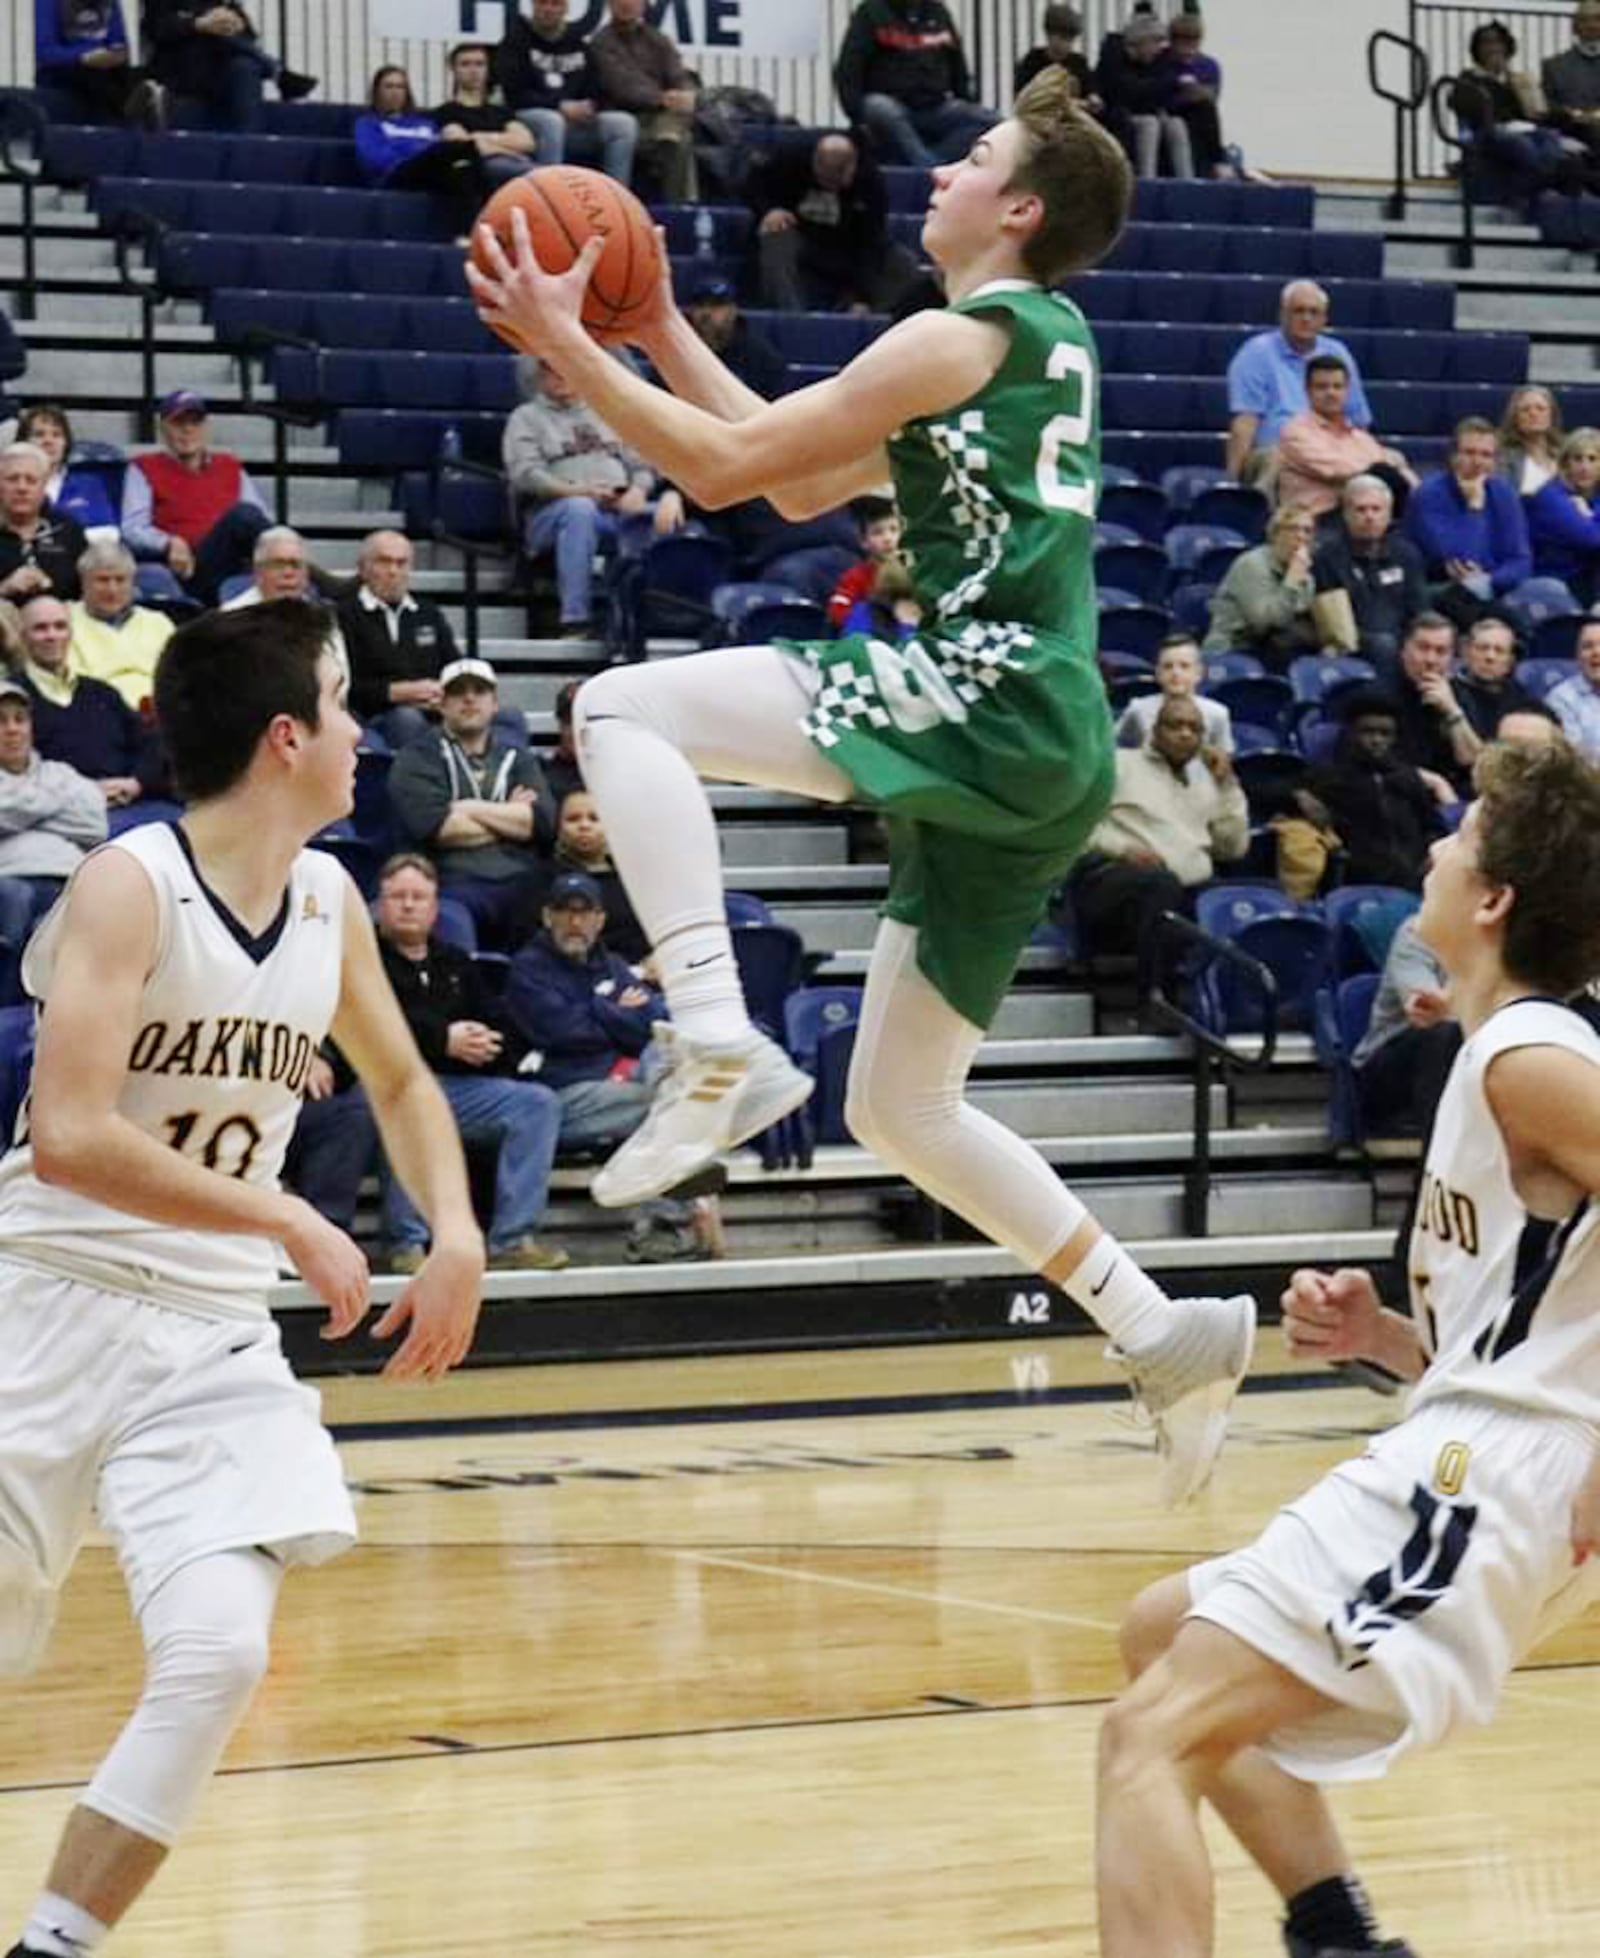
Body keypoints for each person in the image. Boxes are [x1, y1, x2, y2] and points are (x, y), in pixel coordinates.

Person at [469, 69, 1260, 1509]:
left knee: (618, 704)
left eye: (973, 157)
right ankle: (1164, 1331)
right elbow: (787, 485)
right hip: (1043, 740)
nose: (944, 170)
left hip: (1002, 691)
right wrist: (647, 329)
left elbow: (715, 475)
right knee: (901, 1106)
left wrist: (569, 344)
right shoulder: (1021, 339)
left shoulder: (961, 332)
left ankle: (712, 1038)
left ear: (1018, 208)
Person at [0, 598, 481, 1958]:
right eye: (342, 704)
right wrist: (283, 1209)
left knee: (217, 1653)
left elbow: (397, 1077)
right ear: (287, 737)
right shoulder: (129, 880)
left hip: (208, 1331)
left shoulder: (328, 896)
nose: (361, 729)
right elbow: (70, 1135)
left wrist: (452, 1228)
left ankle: (52, 1945)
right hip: (49, 1296)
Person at [1094, 735, 1600, 1958]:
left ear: (1489, 901)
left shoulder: (1530, 1054)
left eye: (1460, 834)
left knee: (1146, 1739)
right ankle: (1338, 1932)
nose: (1431, 842)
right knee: (1158, 1634)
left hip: (1495, 1475)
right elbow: (1533, 1320)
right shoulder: (1497, 1051)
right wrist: (1383, 1335)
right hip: (1475, 1444)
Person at [370, 853, 568, 1273]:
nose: (408, 905)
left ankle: (512, 1240)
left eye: (418, 897)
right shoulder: (365, 961)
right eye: (398, 896)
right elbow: (373, 1026)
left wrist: (484, 1043)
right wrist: (443, 1040)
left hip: (460, 1089)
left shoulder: (455, 961)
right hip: (389, 1087)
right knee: (411, 1099)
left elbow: (498, 1021)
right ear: (380, 905)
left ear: (434, 908)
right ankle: (406, 1242)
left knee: (537, 1103)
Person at [500, 870, 709, 1265]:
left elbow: (653, 1018)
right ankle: (676, 1217)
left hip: (622, 1078)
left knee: (667, 1051)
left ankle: (672, 1217)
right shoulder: (528, 969)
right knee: (666, 1103)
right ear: (548, 916)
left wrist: (602, 1013)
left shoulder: (610, 964)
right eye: (565, 912)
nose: (574, 923)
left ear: (600, 919)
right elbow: (564, 1034)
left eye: (585, 913)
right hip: (560, 1097)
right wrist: (609, 1008)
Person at [1065, 693, 1249, 998]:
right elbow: (1076, 827)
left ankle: (1223, 1003)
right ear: (1155, 729)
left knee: (1229, 899)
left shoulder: (1207, 779)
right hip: (1110, 882)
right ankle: (1155, 997)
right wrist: (1122, 849)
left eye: (1194, 728)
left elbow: (1232, 849)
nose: (1185, 733)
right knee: (1160, 884)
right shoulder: (1118, 764)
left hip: (1184, 890)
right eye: (1174, 725)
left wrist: (1228, 786)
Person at [503, 354, 684, 638]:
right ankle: (576, 618)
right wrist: (578, 491)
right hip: (551, 514)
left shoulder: (608, 413)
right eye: (552, 370)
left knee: (669, 516)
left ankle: (665, 619)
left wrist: (638, 490)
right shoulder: (526, 418)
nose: (561, 376)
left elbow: (643, 466)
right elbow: (525, 475)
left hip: (615, 508)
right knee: (579, 510)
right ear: (540, 376)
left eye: (567, 368)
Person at [387, 655, 555, 948]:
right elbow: (437, 827)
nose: (469, 699)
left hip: (521, 879)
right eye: (457, 692)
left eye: (479, 692)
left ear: (495, 703)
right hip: (454, 881)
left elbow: (541, 823)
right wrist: (509, 817)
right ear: (441, 703)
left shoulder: (518, 757)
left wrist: (468, 807)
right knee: (451, 920)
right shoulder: (417, 756)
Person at [12, 593, 170, 823]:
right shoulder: (11, 699)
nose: (52, 636)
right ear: (23, 637)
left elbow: (149, 743)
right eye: (40, 628)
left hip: (132, 802)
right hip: (61, 816)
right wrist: (86, 792)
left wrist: (136, 782)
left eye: (60, 627)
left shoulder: (102, 692)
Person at [0, 672, 106, 995]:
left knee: (67, 925)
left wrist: (20, 814)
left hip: (67, 879)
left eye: (20, 719)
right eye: (1, 721)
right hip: (9, 883)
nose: (12, 729)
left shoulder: (60, 773)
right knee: (15, 905)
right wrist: (54, 805)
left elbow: (94, 825)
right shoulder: (62, 787)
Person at [120, 391, 270, 608]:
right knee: (243, 516)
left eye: (195, 423)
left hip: (233, 562)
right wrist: (167, 542)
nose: (187, 430)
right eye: (178, 423)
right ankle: (303, 571)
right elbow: (132, 528)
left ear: (205, 428)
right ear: (162, 428)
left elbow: (259, 521)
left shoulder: (229, 466)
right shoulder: (144, 467)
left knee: (252, 523)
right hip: (186, 568)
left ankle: (293, 568)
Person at [746, 130, 920, 316]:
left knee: (905, 262)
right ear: (815, 161)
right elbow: (752, 183)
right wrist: (769, 210)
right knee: (775, 237)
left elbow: (871, 240)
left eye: (837, 179)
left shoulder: (870, 181)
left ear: (853, 166)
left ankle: (869, 320)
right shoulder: (790, 159)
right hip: (802, 239)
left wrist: (861, 296)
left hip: (848, 248)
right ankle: (793, 316)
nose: (829, 185)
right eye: (824, 177)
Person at [1226, 283, 1373, 485]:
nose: (1306, 318)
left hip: (1332, 449)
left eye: (1314, 312)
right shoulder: (1255, 353)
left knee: (1392, 460)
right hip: (1279, 450)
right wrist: (1234, 483)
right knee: (1275, 460)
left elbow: (1358, 419)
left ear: (1324, 320)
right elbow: (1245, 423)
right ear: (1282, 315)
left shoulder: (1338, 353)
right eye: (1298, 311)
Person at [1299, 688, 1444, 890]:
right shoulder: (1329, 777)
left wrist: (1433, 851)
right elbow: (1268, 788)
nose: (1377, 741)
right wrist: (1300, 796)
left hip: (1415, 879)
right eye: (1368, 732)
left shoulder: (1406, 776)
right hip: (1357, 882)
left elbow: (1434, 825)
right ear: (1350, 733)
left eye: (1385, 734)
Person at [336, 528, 461, 749]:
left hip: (436, 709)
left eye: (401, 563)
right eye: (383, 562)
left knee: (508, 718)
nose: (393, 571)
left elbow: (455, 667)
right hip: (377, 716)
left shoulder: (428, 612)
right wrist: (396, 693)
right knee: (407, 719)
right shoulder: (343, 616)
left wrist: (446, 692)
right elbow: (343, 689)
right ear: (363, 569)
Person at [834, 0, 996, 168]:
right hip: (891, 106)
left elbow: (957, 66)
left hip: (935, 106)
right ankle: (928, 166)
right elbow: (849, 68)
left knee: (989, 121)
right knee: (879, 108)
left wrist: (966, 100)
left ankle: (931, 160)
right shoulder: (871, 13)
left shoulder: (937, 12)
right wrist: (856, 116)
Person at [1404, 417, 1532, 624]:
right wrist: (1475, 508)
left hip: (1492, 584)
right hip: (1441, 589)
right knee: (1471, 593)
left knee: (1548, 588)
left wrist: (1491, 579)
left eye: (1486, 455)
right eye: (1470, 453)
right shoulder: (1427, 495)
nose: (1478, 462)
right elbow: (1461, 562)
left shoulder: (1504, 493)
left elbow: (1521, 560)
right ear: (1453, 456)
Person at [494, 0, 638, 183]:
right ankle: (550, 192)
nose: (548, 9)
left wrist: (590, 106)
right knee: (552, 120)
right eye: (542, 3)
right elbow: (514, 94)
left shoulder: (578, 45)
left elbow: (599, 90)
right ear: (533, 6)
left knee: (623, 124)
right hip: (530, 121)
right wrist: (559, 106)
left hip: (572, 125)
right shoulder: (515, 41)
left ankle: (616, 196)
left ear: (566, 9)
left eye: (556, 4)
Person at [1350, 908, 1457, 1138]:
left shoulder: (1503, 942)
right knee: (1444, 1033)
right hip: (1389, 1069)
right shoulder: (1419, 931)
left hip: (1461, 1055)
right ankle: (1432, 1157)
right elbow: (1427, 1010)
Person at [354, 66, 499, 236]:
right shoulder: (368, 123)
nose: (395, 92)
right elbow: (374, 158)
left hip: (430, 170)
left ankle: (477, 230)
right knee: (457, 148)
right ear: (377, 91)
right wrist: (416, 153)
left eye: (400, 87)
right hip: (395, 173)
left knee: (465, 170)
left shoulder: (424, 124)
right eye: (389, 86)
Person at [1453, 20, 1588, 202]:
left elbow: (1541, 113)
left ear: (1507, 47)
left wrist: (1532, 97)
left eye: (1498, 42)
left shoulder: (1517, 81)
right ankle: (1540, 186)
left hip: (1525, 130)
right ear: (1477, 49)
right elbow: (1467, 108)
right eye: (1486, 42)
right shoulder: (1468, 79)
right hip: (1490, 132)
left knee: (1550, 139)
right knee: (1521, 145)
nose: (1493, 48)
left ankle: (1531, 191)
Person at [1310, 474, 1428, 671]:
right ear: (1346, 514)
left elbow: (1419, 609)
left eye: (1376, 509)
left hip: (1402, 640)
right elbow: (1334, 623)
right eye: (1361, 509)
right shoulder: (1327, 557)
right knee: (1384, 645)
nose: (1369, 516)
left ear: (1389, 515)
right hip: (1354, 644)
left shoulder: (1406, 554)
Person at [1274, 355, 1414, 521]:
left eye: (1338, 387)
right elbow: (1336, 470)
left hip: (1363, 516)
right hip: (1316, 521)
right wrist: (1384, 466)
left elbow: (1394, 471)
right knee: (1382, 475)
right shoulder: (1296, 431)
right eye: (1322, 387)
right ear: (1307, 391)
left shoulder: (1360, 437)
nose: (1331, 393)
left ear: (1347, 390)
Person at [143, 0, 315, 134]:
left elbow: (249, 36)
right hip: (183, 67)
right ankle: (278, 72)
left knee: (246, 67)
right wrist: (199, 23)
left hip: (219, 69)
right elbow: (156, 29)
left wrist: (236, 24)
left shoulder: (223, 2)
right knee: (215, 34)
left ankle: (250, 148)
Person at [588, 0, 698, 202]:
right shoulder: (601, 43)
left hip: (662, 115)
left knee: (680, 133)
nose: (626, 4)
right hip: (624, 117)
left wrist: (685, 95)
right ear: (609, 5)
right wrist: (662, 98)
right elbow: (621, 86)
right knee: (675, 137)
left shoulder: (658, 39)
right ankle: (680, 205)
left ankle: (681, 212)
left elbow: (678, 75)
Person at [1202, 502, 1319, 668]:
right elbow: (1266, 622)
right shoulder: (1252, 564)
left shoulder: (1305, 576)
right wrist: (1291, 582)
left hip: (1273, 651)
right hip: (1232, 649)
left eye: (1307, 531)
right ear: (1276, 533)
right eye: (1293, 528)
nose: (1301, 536)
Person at [65, 540, 173, 713]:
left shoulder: (158, 622)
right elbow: (72, 685)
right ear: (83, 582)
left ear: (132, 583)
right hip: (100, 714)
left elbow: (177, 677)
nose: (112, 589)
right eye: (102, 580)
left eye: (120, 580)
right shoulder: (65, 621)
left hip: (159, 712)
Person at [1383, 610, 1482, 799]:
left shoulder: (1459, 693)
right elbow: (1378, 762)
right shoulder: (1380, 693)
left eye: (1441, 651)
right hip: (1402, 795)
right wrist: (1436, 783)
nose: (1430, 660)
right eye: (1422, 648)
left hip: (1457, 794)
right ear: (1404, 649)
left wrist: (1452, 711)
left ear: (1452, 659)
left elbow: (1473, 762)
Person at [1094, 11, 1196, 180]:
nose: (1158, 49)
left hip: (1146, 111)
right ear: (1141, 41)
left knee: (1176, 124)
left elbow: (1158, 92)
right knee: (1150, 124)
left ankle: (1187, 180)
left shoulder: (1156, 62)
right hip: (1116, 114)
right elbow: (1122, 93)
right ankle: (1148, 179)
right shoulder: (1113, 58)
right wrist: (1151, 90)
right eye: (1155, 42)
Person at [551, 786, 647, 962]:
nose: (584, 825)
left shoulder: (633, 878)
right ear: (559, 828)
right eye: (573, 819)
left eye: (595, 818)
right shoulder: (546, 879)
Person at [431, 40, 537, 192]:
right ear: (453, 69)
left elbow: (527, 142)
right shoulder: (446, 111)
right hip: (479, 168)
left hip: (512, 167)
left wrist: (482, 137)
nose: (473, 70)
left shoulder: (501, 111)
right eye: (465, 64)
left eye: (479, 64)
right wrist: (510, 150)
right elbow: (463, 145)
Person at [33, 0, 156, 126]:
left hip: (104, 65)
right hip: (63, 69)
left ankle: (147, 106)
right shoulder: (46, 3)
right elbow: (44, 52)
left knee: (135, 73)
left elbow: (118, 41)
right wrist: (84, 57)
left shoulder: (110, 3)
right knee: (97, 80)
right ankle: (135, 110)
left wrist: (119, 54)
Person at [0, 443, 88, 607]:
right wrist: (5, 589)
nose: (22, 487)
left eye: (31, 480)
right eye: (12, 479)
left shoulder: (69, 530)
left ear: (44, 486)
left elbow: (88, 598)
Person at [1115, 632, 1232, 753]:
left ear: (1199, 672)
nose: (1176, 673)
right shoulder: (1138, 709)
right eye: (1168, 666)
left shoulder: (1217, 714)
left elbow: (1222, 761)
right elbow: (1117, 747)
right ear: (1157, 673)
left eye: (1184, 666)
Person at [15, 404, 119, 540]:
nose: (48, 441)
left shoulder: (89, 484)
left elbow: (109, 533)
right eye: (39, 434)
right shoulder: (9, 484)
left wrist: (61, 540)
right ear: (24, 442)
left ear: (66, 443)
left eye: (56, 435)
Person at [1524, 424, 1600, 605]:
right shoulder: (1550, 497)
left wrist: (1590, 516)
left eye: (1592, 459)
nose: (1584, 467)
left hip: (1584, 582)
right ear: (1565, 463)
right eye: (1577, 459)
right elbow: (1593, 540)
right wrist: (1590, 518)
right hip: (1552, 584)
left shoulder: (1593, 496)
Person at [683, 279, 788, 401]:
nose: (706, 312)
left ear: (733, 311)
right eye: (700, 305)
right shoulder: (677, 354)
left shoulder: (762, 359)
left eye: (716, 305)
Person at [1451, 612, 1539, 742]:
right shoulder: (1450, 693)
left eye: (1499, 650)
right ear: (1466, 652)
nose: (1490, 657)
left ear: (1510, 661)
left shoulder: (1520, 696)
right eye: (1482, 648)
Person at [826, 495, 904, 630]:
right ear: (864, 542)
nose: (888, 538)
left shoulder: (914, 568)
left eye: (893, 530)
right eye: (877, 532)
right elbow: (837, 611)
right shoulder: (856, 576)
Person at [1541, 0, 1600, 148]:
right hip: (1570, 133)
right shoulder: (1554, 66)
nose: (1592, 25)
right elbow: (1547, 104)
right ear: (1574, 27)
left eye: (1598, 19)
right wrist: (1575, 115)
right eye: (1584, 20)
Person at [1014, 3, 1095, 102]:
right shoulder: (1031, 62)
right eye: (1062, 38)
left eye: (1070, 40)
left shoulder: (1079, 63)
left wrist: (1093, 98)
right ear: (1048, 35)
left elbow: (1090, 91)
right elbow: (1021, 97)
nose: (1067, 45)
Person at [1496, 382, 1563, 498]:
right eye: (1525, 410)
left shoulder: (1565, 453)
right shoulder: (1502, 457)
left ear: (1551, 415)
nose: (1533, 413)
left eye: (1540, 408)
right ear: (1515, 418)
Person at [1547, 614, 1600, 756]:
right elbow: (1575, 759)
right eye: (1588, 646)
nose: (1596, 652)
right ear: (1577, 657)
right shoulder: (1560, 699)